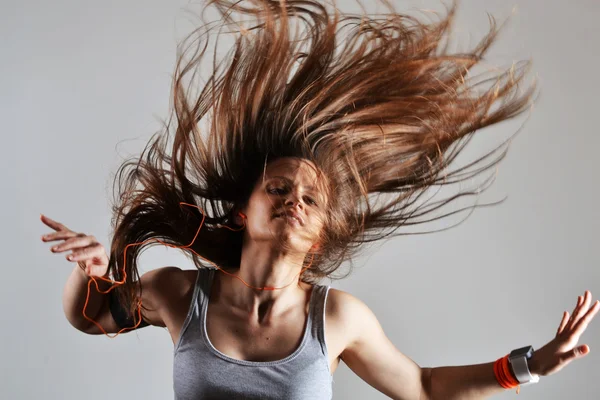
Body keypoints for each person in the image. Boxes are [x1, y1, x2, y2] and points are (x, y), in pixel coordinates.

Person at [41, 1, 598, 399]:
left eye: (311, 198)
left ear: (323, 230)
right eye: (278, 189)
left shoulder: (336, 318)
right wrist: (91, 273)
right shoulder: (181, 294)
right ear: (243, 210)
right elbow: (90, 319)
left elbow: (425, 389)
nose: (294, 202)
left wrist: (530, 366)